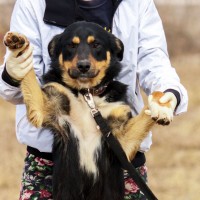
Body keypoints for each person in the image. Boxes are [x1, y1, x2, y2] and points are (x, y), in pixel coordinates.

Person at [0, 0, 188, 199]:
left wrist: (167, 95)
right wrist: (16, 69)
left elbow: (154, 60)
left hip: (122, 170)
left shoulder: (137, 3)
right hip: (48, 168)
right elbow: (32, 107)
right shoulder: (33, 3)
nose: (83, 61)